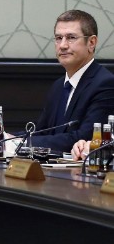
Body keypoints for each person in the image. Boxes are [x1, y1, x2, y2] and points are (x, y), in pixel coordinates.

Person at [26, 10, 114, 155]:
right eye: (58, 38)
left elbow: (84, 138)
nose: (63, 45)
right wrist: (9, 138)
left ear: (91, 43)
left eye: (71, 37)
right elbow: (41, 131)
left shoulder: (106, 84)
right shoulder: (58, 85)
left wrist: (22, 143)